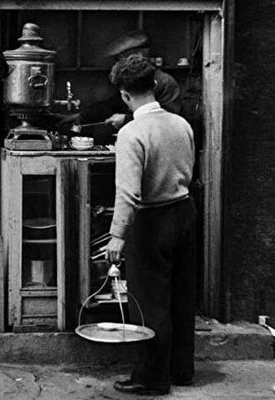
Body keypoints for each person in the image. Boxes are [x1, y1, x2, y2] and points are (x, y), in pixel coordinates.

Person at [102, 55, 196, 396]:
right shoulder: (181, 124)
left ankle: (151, 378)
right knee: (182, 297)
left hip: (152, 220)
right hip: (185, 212)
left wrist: (117, 236)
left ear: (125, 96)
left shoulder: (131, 133)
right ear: (154, 86)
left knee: (149, 301)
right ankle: (182, 371)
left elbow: (128, 192)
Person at [59, 30, 181, 134]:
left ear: (140, 54)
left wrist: (126, 119)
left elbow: (167, 120)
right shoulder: (131, 80)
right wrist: (81, 116)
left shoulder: (165, 82)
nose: (119, 64)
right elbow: (112, 105)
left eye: (123, 58)